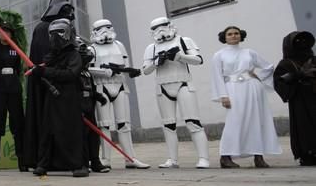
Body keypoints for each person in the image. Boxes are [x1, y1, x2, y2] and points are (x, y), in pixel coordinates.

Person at [142, 17, 210, 169]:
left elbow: (198, 60)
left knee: (193, 122)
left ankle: (203, 158)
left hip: (183, 83)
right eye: (156, 28)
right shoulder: (151, 48)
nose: (160, 30)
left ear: (170, 26)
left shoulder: (184, 40)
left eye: (163, 26)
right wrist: (156, 62)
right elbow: (145, 70)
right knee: (168, 125)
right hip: (163, 86)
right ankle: (173, 159)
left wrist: (180, 56)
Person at [211, 26, 280, 168]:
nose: (233, 36)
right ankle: (225, 157)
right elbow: (217, 77)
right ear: (224, 37)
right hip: (233, 89)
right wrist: (223, 96)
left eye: (236, 33)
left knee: (256, 120)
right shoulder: (219, 55)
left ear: (240, 35)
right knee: (234, 121)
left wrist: (258, 76)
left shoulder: (249, 53)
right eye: (229, 34)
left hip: (253, 89)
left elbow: (268, 67)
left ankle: (258, 157)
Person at [88, 19, 150, 169]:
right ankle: (105, 160)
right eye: (101, 28)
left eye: (108, 27)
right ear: (95, 32)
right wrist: (104, 72)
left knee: (124, 124)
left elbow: (126, 65)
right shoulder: (92, 49)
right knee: (105, 125)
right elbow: (87, 69)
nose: (105, 31)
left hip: (120, 86)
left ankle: (130, 158)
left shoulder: (119, 45)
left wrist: (130, 71)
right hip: (101, 87)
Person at [23, 0, 75, 169]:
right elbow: (45, 56)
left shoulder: (67, 29)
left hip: (63, 82)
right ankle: (48, 160)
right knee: (47, 122)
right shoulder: (42, 28)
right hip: (46, 82)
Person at [31, 18, 88, 177]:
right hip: (52, 98)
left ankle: (78, 164)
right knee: (48, 131)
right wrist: (38, 74)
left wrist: (45, 72)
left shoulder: (73, 55)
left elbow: (71, 74)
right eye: (52, 34)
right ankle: (44, 164)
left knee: (71, 131)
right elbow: (45, 76)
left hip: (69, 98)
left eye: (60, 33)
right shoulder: (50, 57)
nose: (55, 37)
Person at [0, 22, 25, 172]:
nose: (5, 35)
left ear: (11, 34)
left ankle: (22, 160)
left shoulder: (16, 49)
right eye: (2, 32)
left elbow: (19, 69)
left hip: (14, 90)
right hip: (0, 90)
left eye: (8, 32)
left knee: (18, 124)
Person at [273, 31, 316, 166]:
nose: (301, 44)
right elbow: (279, 82)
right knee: (304, 127)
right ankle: (307, 154)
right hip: (300, 101)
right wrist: (298, 75)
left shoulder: (313, 60)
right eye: (297, 41)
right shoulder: (285, 63)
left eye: (304, 41)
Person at [78, 42, 110, 173]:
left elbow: (91, 88)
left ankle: (95, 161)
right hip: (79, 107)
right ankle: (84, 163)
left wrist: (98, 96)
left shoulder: (87, 73)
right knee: (82, 136)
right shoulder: (74, 73)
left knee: (94, 135)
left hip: (89, 106)